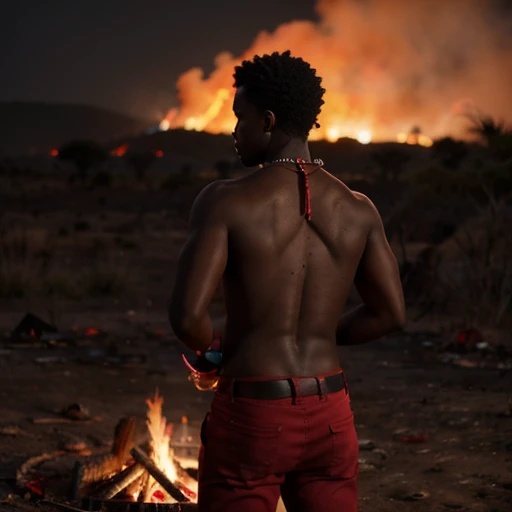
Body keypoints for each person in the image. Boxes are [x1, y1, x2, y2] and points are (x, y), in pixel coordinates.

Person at [169, 50, 406, 512]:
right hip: (333, 415)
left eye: (241, 117)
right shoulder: (359, 208)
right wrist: (316, 333)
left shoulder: (224, 201)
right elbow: (391, 314)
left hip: (253, 416)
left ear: (269, 120)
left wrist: (214, 351)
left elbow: (187, 317)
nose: (234, 130)